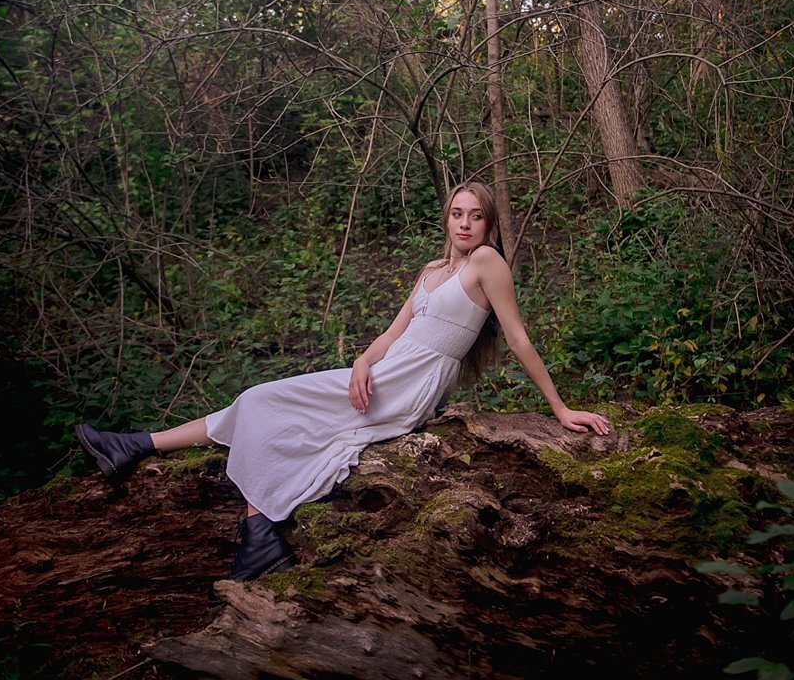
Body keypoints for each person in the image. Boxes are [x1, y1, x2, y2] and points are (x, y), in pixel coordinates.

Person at [75, 179, 612, 582]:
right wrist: (360, 362)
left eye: (475, 216)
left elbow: (517, 337)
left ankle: (252, 524)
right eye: (456, 214)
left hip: (409, 386)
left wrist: (561, 409)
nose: (465, 224)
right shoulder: (431, 271)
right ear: (446, 220)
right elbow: (391, 332)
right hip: (383, 371)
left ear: (490, 226)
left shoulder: (488, 262)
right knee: (259, 401)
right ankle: (141, 449)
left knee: (268, 405)